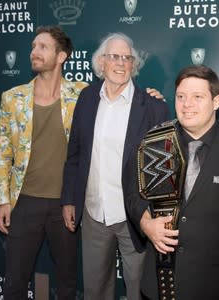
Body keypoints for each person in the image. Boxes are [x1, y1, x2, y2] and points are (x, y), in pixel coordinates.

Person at [126, 65, 219, 300]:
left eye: (197, 97)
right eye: (181, 97)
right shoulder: (154, 143)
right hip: (159, 279)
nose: (187, 104)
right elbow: (132, 192)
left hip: (212, 283)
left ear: (216, 101)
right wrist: (145, 222)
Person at [60, 32, 170, 300]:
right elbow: (74, 154)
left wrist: (153, 215)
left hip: (137, 217)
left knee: (139, 290)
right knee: (95, 290)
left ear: (134, 65)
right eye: (114, 57)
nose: (120, 63)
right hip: (94, 212)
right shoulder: (86, 99)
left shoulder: (154, 107)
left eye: (127, 58)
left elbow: (164, 171)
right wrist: (69, 200)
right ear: (101, 63)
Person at [0, 25, 88, 299]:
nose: (34, 52)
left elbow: (120, 100)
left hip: (66, 204)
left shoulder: (83, 95)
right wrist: (3, 201)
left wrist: (149, 97)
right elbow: (2, 153)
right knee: (14, 284)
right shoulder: (12, 98)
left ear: (62, 56)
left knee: (68, 284)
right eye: (33, 47)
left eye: (43, 47)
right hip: (24, 203)